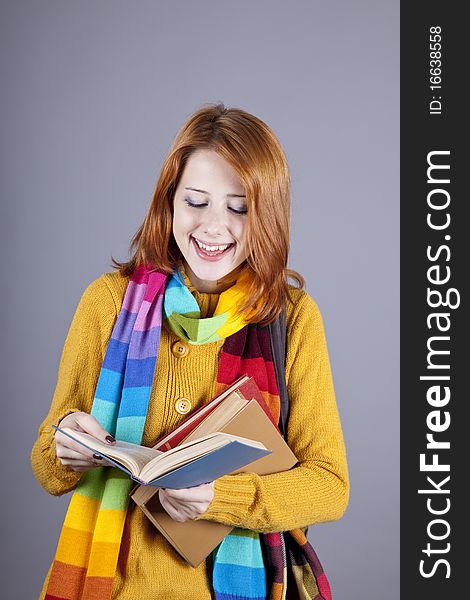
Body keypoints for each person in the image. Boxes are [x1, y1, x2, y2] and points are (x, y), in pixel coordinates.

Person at [31, 103, 349, 600]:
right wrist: (65, 447)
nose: (213, 226)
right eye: (195, 201)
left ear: (266, 213)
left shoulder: (294, 318)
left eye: (239, 207)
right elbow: (47, 463)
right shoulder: (108, 302)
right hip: (112, 588)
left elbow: (330, 486)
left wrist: (221, 498)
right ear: (170, 201)